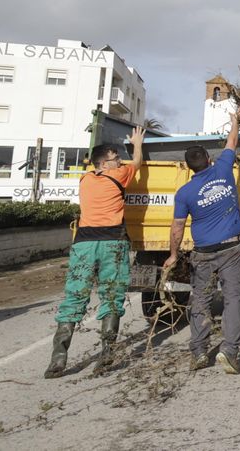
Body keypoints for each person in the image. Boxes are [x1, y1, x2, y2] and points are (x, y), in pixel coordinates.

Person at [45, 127, 145, 378]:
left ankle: (58, 359)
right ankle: (107, 354)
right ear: (103, 163)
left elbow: (106, 167)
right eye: (115, 158)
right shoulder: (120, 175)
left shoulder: (85, 179)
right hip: (112, 243)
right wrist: (137, 143)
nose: (119, 161)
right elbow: (137, 162)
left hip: (84, 245)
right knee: (112, 295)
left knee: (75, 295)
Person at [166, 111, 240, 374]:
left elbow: (178, 226)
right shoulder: (223, 169)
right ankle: (229, 352)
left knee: (200, 300)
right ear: (210, 159)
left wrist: (173, 254)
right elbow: (232, 142)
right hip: (231, 249)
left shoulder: (184, 193)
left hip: (202, 253)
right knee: (232, 299)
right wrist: (235, 121)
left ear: (188, 166)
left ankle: (199, 352)